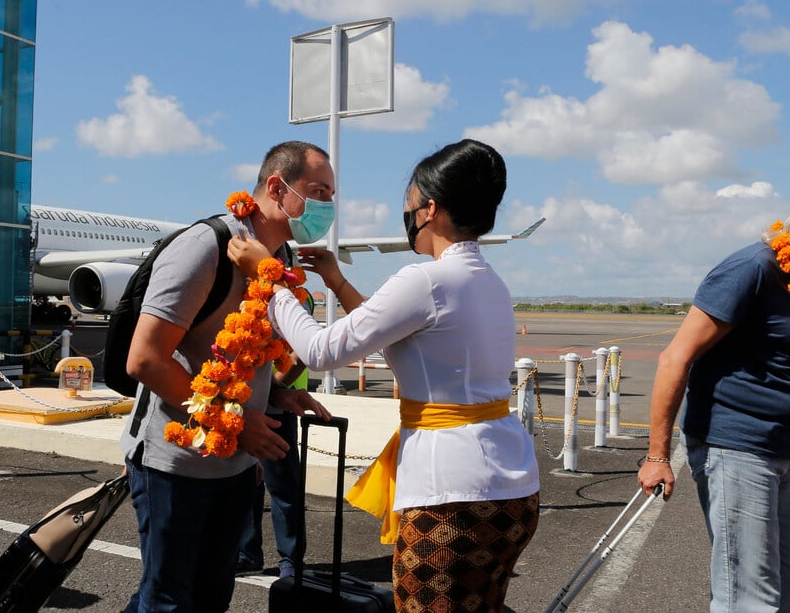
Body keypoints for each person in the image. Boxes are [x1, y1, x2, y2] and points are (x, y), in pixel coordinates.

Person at [229, 138, 541, 612]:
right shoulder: (487, 281)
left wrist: (267, 279)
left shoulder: (427, 280)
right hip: (513, 490)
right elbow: (393, 335)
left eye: (409, 205)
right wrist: (336, 282)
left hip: (452, 496)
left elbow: (321, 349)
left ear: (430, 209)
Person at [120, 140, 333, 613]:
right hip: (175, 463)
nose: (327, 207)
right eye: (318, 192)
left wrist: (276, 395)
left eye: (332, 195)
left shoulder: (281, 263)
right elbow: (146, 360)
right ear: (277, 188)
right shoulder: (206, 247)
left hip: (236, 466)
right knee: (168, 601)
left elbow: (251, 356)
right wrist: (238, 422)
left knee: (213, 597)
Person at [638, 184, 790, 612]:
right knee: (749, 597)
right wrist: (656, 455)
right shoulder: (751, 269)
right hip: (737, 447)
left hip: (782, 451)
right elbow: (675, 358)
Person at [237, 293, 314, 579]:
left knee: (282, 486)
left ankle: (291, 559)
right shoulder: (240, 295)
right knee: (245, 480)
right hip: (243, 406)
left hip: (278, 405)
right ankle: (246, 553)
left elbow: (303, 349)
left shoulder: (291, 298)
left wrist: (274, 390)